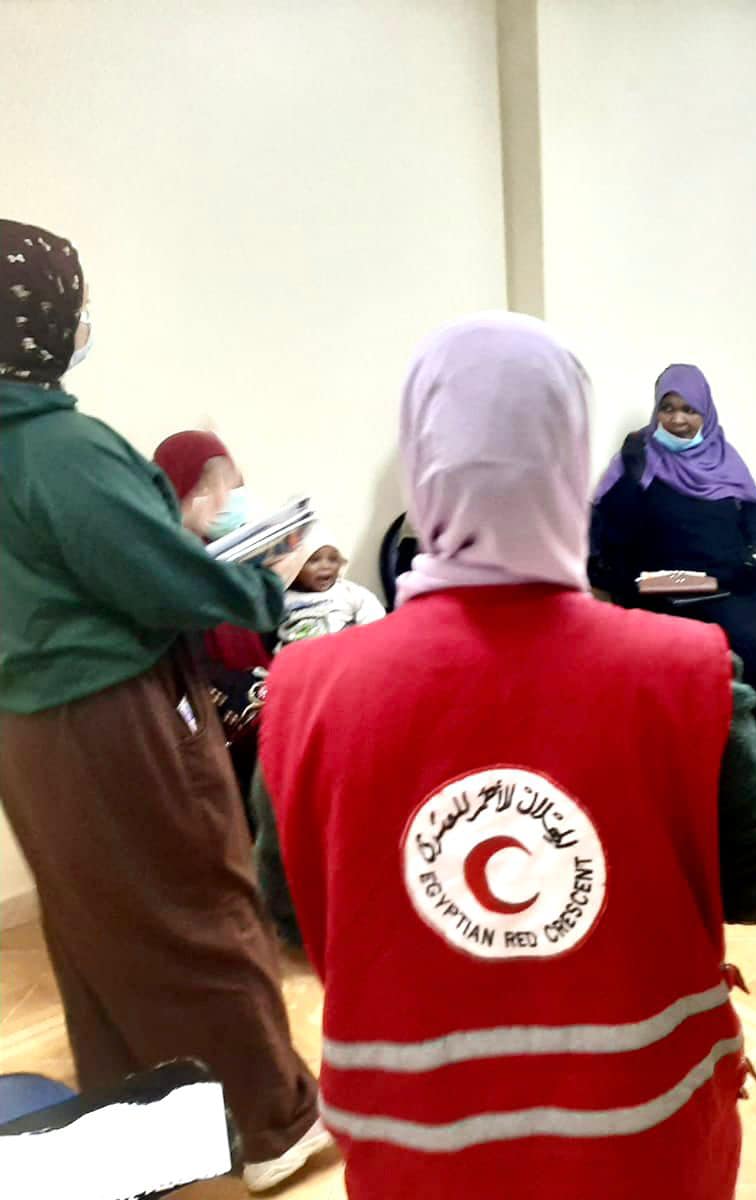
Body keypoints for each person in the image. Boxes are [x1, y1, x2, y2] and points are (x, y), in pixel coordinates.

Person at [258, 314, 756, 1198]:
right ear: (569, 462)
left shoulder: (307, 688)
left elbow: (289, 922)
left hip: (420, 1153)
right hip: (645, 1140)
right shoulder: (683, 672)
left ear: (422, 462)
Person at [0, 220, 331, 1192]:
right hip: (113, 719)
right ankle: (271, 1128)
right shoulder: (58, 449)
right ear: (44, 316)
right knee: (198, 910)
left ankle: (143, 1121)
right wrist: (263, 588)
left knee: (97, 928)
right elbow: (160, 578)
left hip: (28, 730)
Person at [590, 363, 756, 807]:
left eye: (689, 409)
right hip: (677, 586)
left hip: (740, 577)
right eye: (668, 408)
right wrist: (633, 478)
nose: (678, 419)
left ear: (706, 411)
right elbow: (611, 535)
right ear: (657, 410)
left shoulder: (722, 456)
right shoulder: (637, 462)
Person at [152, 429, 276, 802]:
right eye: (210, 486)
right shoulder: (160, 560)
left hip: (255, 717)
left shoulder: (224, 552)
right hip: (202, 728)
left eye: (231, 484)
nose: (225, 498)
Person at [276, 528, 386, 644]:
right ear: (295, 567)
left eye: (333, 559)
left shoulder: (346, 591)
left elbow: (373, 614)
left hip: (341, 647)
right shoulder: (283, 598)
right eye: (314, 560)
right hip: (298, 650)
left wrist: (365, 641)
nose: (326, 566)